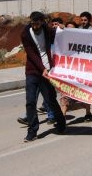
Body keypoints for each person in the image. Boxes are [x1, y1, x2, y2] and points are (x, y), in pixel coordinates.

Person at [21, 11, 66, 142]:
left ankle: (61, 124)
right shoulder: (25, 33)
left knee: (50, 100)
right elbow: (31, 55)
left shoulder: (47, 29)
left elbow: (58, 38)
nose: (34, 26)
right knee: (30, 101)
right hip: (33, 71)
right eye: (32, 23)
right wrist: (42, 69)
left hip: (48, 70)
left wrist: (62, 29)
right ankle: (32, 131)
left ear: (42, 22)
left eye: (37, 23)